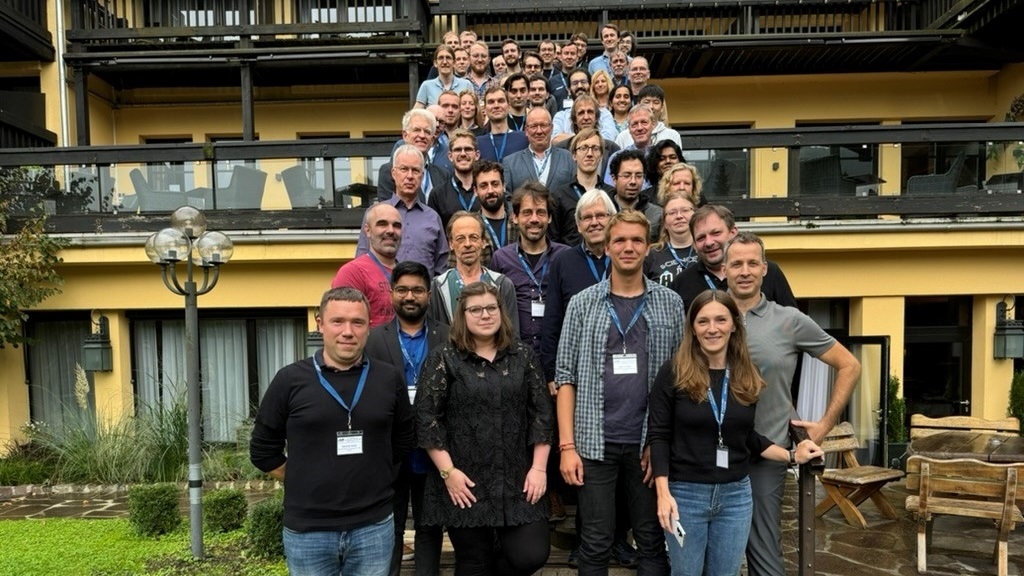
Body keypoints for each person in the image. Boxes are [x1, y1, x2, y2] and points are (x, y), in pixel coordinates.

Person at [647, 289, 825, 576]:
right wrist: (663, 493)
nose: (712, 328)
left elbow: (749, 437)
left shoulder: (746, 373)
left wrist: (793, 454)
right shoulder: (673, 372)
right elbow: (659, 435)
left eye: (720, 319)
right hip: (686, 496)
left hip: (736, 497)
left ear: (733, 325)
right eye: (703, 321)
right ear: (692, 328)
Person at [722, 232, 860, 576]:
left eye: (752, 263)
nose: (744, 270)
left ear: (765, 269)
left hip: (765, 455)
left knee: (764, 555)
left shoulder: (789, 320)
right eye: (736, 263)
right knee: (708, 551)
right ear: (723, 269)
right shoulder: (706, 315)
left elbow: (850, 365)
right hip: (708, 453)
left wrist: (823, 427)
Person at [554, 209, 684, 575]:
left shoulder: (670, 304)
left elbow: (679, 381)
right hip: (594, 445)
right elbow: (566, 378)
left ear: (648, 247)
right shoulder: (581, 304)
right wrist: (567, 447)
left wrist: (661, 444)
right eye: (620, 240)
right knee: (594, 542)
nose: (628, 247)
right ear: (607, 247)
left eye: (636, 240)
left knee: (651, 540)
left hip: (648, 444)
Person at [250, 287, 414, 576]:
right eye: (338, 321)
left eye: (357, 323)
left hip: (373, 528)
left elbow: (403, 439)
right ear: (320, 324)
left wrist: (378, 471)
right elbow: (263, 450)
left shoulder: (389, 378)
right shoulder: (290, 380)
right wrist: (302, 475)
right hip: (308, 531)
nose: (347, 331)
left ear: (369, 327)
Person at [415, 281, 554, 576]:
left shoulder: (523, 356)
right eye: (475, 309)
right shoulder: (444, 358)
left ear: (501, 312)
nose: (485, 314)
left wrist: (539, 468)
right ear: (462, 315)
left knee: (531, 556)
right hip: (464, 481)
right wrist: (447, 473)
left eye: (491, 308)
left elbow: (542, 414)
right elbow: (428, 418)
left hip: (518, 478)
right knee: (474, 563)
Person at [365, 262, 451, 576]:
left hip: (435, 449)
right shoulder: (373, 340)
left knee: (430, 526)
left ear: (428, 294)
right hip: (390, 451)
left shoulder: (448, 335)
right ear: (391, 294)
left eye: (417, 289)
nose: (410, 296)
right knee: (391, 527)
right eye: (402, 290)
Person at [490, 182, 571, 356]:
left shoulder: (566, 257)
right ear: (515, 217)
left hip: (557, 354)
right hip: (514, 357)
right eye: (527, 212)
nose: (534, 219)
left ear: (549, 217)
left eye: (541, 212)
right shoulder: (500, 259)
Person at [669, 204, 796, 309]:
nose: (709, 242)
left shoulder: (768, 272)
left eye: (716, 233)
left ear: (733, 233)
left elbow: (792, 324)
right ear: (694, 245)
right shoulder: (681, 284)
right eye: (701, 238)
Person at [359, 145, 450, 276]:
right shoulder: (374, 214)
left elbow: (442, 268)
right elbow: (362, 260)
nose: (410, 176)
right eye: (404, 169)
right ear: (393, 173)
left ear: (422, 176)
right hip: (381, 293)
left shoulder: (433, 218)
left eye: (415, 171)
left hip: (424, 294)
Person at [428, 210, 519, 334]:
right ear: (451, 244)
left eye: (473, 237)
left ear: (483, 242)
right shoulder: (438, 287)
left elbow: (511, 335)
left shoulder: (502, 285)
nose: (467, 244)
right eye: (460, 239)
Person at [332, 203, 403, 327]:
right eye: (382, 224)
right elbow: (343, 327)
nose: (391, 231)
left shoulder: (407, 273)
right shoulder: (353, 273)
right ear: (367, 230)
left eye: (396, 226)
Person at [550, 128, 616, 245]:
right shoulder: (559, 196)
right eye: (583, 148)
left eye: (595, 149)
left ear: (601, 155)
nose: (589, 154)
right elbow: (553, 240)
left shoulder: (612, 194)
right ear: (574, 155)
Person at [377, 109, 451, 202]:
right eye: (416, 130)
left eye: (427, 132)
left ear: (432, 139)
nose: (422, 135)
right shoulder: (388, 171)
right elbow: (387, 211)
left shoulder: (443, 175)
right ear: (405, 135)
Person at [502, 108, 575, 195]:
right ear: (526, 131)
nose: (539, 131)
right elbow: (506, 197)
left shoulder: (569, 158)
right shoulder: (510, 163)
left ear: (552, 128)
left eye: (543, 125)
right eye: (533, 126)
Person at [428, 129, 480, 229]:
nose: (463, 154)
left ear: (477, 155)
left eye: (468, 149)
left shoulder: (487, 190)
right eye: (457, 150)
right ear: (450, 156)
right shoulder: (438, 194)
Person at [644, 190, 697, 287]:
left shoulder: (706, 250)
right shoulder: (651, 254)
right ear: (664, 222)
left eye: (685, 210)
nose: (679, 216)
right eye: (672, 212)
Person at [609, 148, 663, 241]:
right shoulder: (604, 213)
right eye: (627, 176)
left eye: (638, 176)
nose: (633, 181)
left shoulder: (657, 215)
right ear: (614, 179)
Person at [551, 69, 617, 143]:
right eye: (575, 83)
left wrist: (571, 138)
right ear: (569, 90)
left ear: (590, 86)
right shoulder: (561, 116)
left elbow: (608, 139)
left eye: (583, 82)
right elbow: (554, 139)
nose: (580, 86)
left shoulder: (604, 114)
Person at [476, 86, 530, 161]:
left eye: (501, 101)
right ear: (485, 108)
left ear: (509, 106)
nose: (496, 106)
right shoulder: (478, 143)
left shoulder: (524, 138)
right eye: (491, 102)